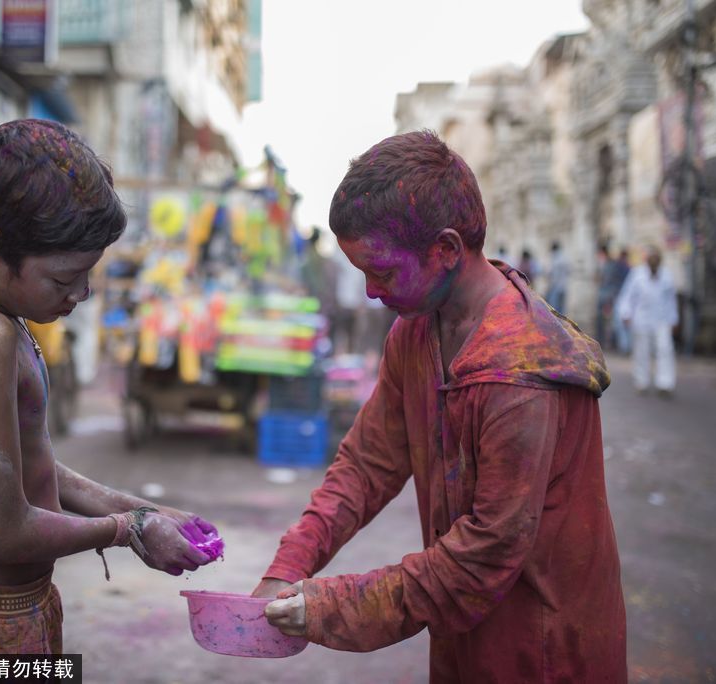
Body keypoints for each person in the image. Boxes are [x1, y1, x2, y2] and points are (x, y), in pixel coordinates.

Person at [254, 131, 625, 682]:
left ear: (447, 250)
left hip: (544, 648)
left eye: (381, 272)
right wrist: (291, 564)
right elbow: (366, 464)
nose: (372, 293)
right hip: (461, 637)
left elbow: (482, 557)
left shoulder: (520, 372)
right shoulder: (416, 332)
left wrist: (329, 606)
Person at [0, 119, 219, 655]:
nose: (83, 292)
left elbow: (31, 466)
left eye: (88, 274)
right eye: (64, 278)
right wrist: (128, 529)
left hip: (7, 609)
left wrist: (145, 511)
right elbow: (2, 531)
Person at [616, 245, 678, 397]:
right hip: (641, 319)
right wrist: (626, 313)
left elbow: (671, 301)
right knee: (641, 351)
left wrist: (674, 319)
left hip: (662, 319)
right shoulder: (637, 275)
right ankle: (641, 382)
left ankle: (665, 383)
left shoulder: (667, 276)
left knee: (665, 349)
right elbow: (627, 296)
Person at [596, 245, 631, 353]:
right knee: (610, 322)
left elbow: (608, 281)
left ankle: (614, 344)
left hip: (609, 297)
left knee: (611, 322)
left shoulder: (611, 265)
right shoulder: (610, 265)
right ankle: (614, 343)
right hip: (610, 296)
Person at [545, 240, 569, 314]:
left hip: (555, 287)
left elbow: (550, 273)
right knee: (562, 309)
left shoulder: (555, 259)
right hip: (564, 286)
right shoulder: (565, 258)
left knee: (554, 309)